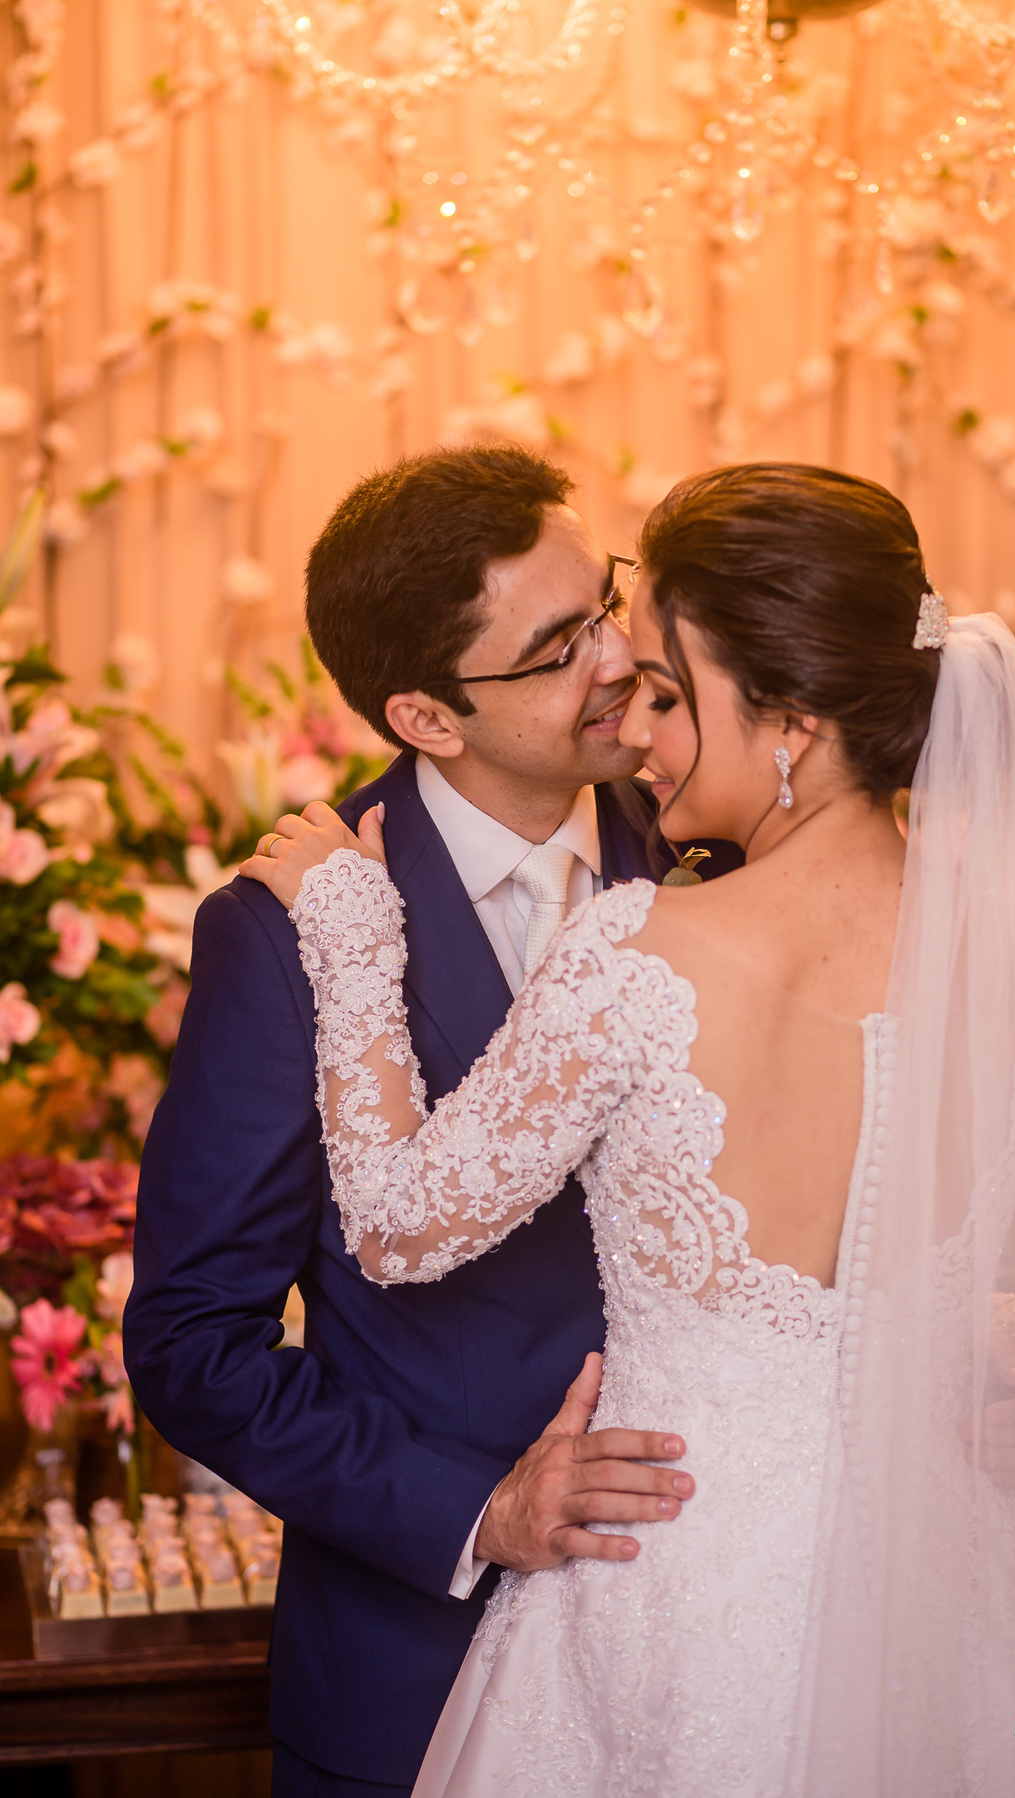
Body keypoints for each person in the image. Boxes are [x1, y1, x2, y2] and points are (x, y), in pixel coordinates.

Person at [245, 462, 1015, 1797]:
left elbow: (401, 1227)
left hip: (671, 1585)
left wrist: (351, 934)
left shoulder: (640, 948)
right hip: (950, 1594)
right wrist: (919, 1337)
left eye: (673, 698)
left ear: (793, 722)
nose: (641, 732)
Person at [123, 444, 741, 1798]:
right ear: (426, 715)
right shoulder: (287, 932)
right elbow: (190, 1345)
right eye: (559, 644)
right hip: (422, 1668)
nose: (622, 660)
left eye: (607, 601)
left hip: (720, 1637)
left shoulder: (722, 856)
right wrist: (478, 1511)